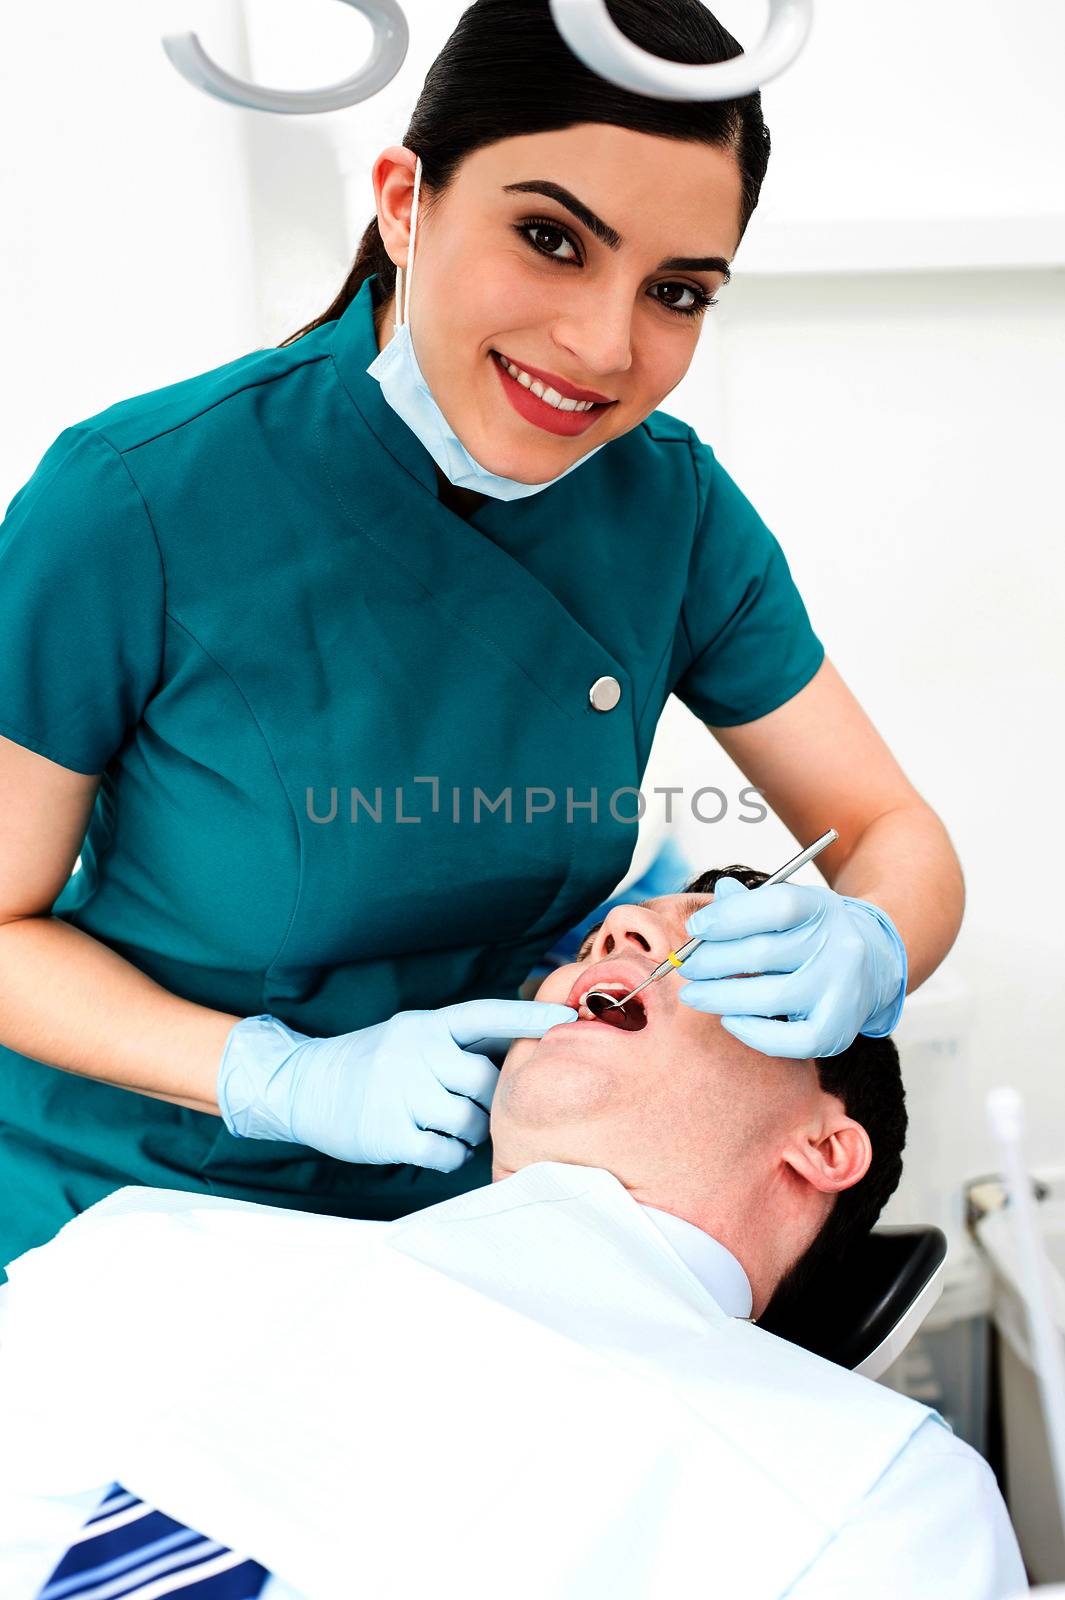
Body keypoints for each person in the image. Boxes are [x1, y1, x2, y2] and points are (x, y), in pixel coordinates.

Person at [0, 0, 964, 1278]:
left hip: (471, 1221)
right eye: (552, 239)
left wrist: (877, 938)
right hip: (111, 1214)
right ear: (404, 201)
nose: (606, 345)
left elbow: (895, 836)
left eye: (677, 291)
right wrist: (269, 1076)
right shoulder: (136, 501)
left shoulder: (669, 510)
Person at [0, 866, 1022, 1600]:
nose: (620, 934)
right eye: (596, 941)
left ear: (821, 1146)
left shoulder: (877, 1491)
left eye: (712, 944)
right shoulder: (132, 1257)